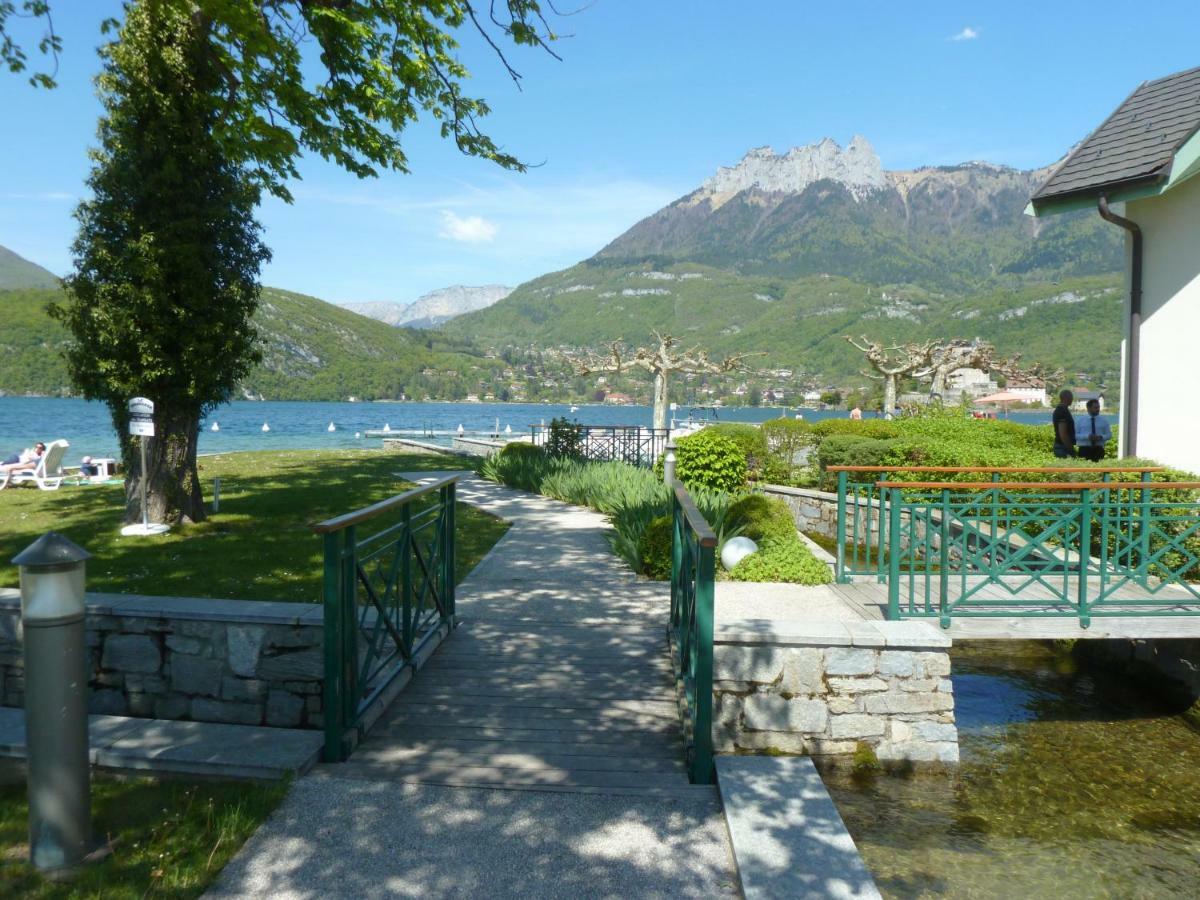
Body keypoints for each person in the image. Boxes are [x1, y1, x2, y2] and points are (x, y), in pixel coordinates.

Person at [1052, 390, 1076, 458]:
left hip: (1061, 446)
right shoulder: (1062, 411)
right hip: (1063, 447)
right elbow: (1063, 433)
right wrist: (1071, 449)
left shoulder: (1061, 410)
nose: (1072, 399)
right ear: (1066, 398)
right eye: (1071, 397)